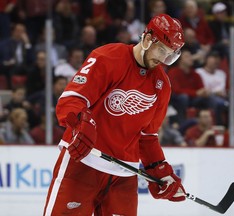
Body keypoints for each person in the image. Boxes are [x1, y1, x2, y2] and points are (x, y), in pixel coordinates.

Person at [43, 14, 187, 215]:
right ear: (147, 39)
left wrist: (160, 171)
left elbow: (147, 136)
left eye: (170, 55)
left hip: (123, 175)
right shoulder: (109, 57)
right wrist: (81, 123)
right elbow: (72, 100)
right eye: (162, 50)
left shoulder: (161, 86)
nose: (163, 59)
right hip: (83, 163)